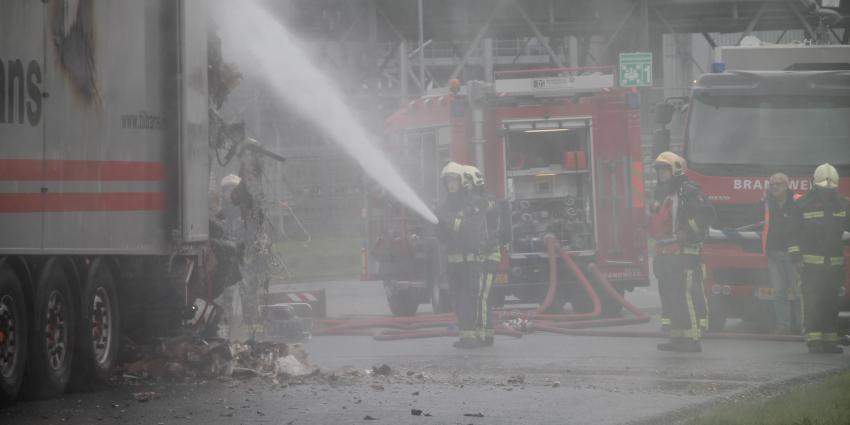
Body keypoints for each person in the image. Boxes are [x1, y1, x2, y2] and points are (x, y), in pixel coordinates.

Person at [648, 152, 713, 353]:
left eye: (664, 169)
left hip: (685, 252)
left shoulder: (688, 190)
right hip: (665, 252)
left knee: (685, 295)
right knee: (670, 296)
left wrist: (688, 232)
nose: (661, 174)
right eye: (658, 170)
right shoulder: (662, 192)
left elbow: (706, 214)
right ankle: (677, 337)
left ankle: (693, 338)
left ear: (675, 170)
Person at [788, 163, 849, 354]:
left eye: (830, 189)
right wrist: (796, 256)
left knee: (831, 302)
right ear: (815, 185)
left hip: (835, 264)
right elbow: (792, 234)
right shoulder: (801, 204)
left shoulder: (844, 204)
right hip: (811, 264)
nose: (827, 193)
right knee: (813, 301)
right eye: (824, 189)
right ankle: (814, 339)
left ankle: (830, 340)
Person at [436, 162, 486, 349]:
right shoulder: (443, 207)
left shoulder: (472, 203)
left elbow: (472, 230)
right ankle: (465, 336)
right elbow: (441, 236)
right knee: (456, 299)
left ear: (462, 182)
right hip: (452, 263)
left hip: (469, 262)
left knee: (469, 298)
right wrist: (441, 228)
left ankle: (472, 336)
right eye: (448, 181)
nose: (451, 184)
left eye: (454, 180)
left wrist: (454, 225)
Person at [463, 165, 501, 347]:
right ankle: (484, 333)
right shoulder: (475, 201)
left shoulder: (486, 201)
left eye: (466, 181)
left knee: (482, 297)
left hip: (488, 256)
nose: (465, 185)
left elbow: (491, 227)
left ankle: (484, 335)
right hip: (480, 256)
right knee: (480, 296)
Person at [760, 173, 802, 334]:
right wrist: (761, 201)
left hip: (793, 255)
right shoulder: (767, 203)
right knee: (779, 292)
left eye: (778, 184)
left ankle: (802, 326)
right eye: (772, 184)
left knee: (799, 293)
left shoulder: (798, 201)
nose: (774, 187)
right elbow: (751, 216)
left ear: (787, 186)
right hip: (774, 254)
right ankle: (783, 327)